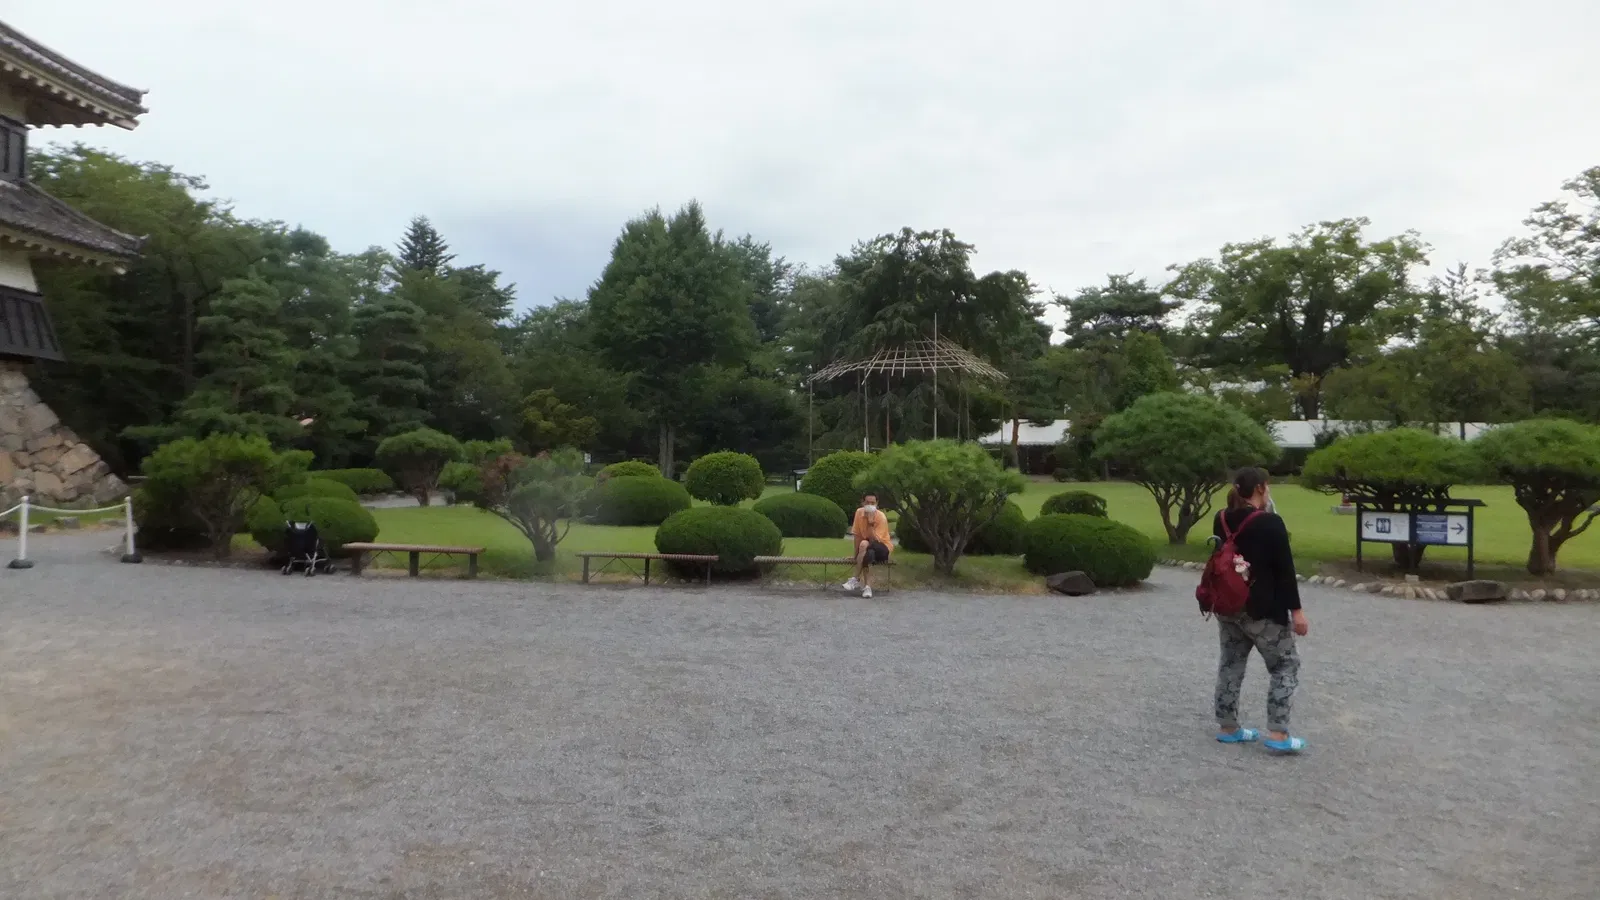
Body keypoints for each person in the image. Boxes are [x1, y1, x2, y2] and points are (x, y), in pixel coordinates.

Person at [1211, 467, 1309, 754]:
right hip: (1263, 608)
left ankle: (1228, 726)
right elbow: (1285, 571)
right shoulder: (1270, 523)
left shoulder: (1221, 518)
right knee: (1285, 665)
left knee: (1231, 663)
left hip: (1229, 604)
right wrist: (1297, 612)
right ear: (1260, 488)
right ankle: (1278, 732)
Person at [842, 492, 892, 598]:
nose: (870, 505)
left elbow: (875, 540)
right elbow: (857, 536)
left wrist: (870, 523)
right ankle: (867, 588)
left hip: (882, 548)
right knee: (867, 553)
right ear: (863, 503)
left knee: (865, 545)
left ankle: (855, 578)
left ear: (877, 504)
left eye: (872, 503)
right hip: (868, 549)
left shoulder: (881, 517)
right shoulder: (859, 513)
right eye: (867, 502)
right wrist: (856, 556)